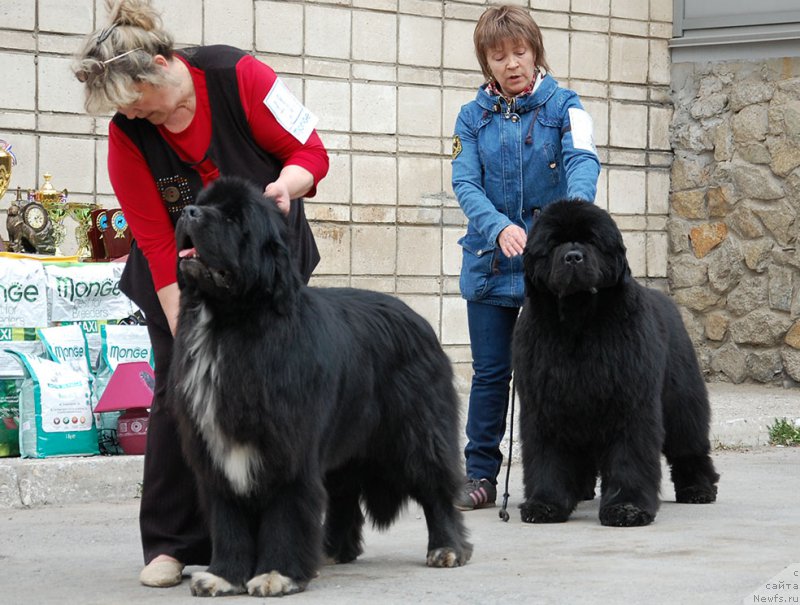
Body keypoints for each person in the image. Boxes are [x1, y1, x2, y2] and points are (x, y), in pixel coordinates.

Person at [73, 0, 329, 587]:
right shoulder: (128, 135)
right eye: (122, 108)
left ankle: (281, 540)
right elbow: (154, 239)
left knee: (277, 398)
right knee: (180, 395)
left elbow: (311, 152)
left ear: (163, 66)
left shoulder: (240, 77)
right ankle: (171, 542)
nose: (131, 113)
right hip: (180, 273)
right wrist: (187, 329)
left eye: (135, 99)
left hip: (264, 267)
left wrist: (286, 185)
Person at [451, 5, 600, 511]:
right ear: (486, 63)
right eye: (499, 56)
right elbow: (465, 182)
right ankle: (480, 474)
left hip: (554, 272)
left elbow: (583, 160)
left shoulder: (567, 105)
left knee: (565, 374)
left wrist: (567, 220)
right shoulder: (470, 118)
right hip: (490, 265)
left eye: (519, 52)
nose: (511, 63)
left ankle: (575, 471)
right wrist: (498, 227)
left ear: (535, 52)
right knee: (491, 373)